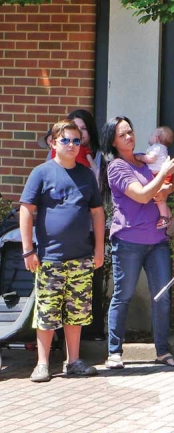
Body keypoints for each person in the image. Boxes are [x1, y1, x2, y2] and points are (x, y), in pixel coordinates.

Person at [20, 119, 105, 382]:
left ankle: (74, 361)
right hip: (49, 258)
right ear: (53, 142)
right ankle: (43, 364)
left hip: (81, 258)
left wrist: (99, 249)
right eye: (65, 140)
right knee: (46, 312)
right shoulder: (41, 173)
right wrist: (27, 250)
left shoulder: (86, 174)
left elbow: (97, 213)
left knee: (76, 312)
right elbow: (26, 210)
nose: (71, 145)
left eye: (76, 140)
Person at [101, 116, 174, 369]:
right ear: (112, 141)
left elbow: (171, 182)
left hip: (157, 240)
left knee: (163, 296)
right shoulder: (116, 167)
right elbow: (143, 194)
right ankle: (114, 352)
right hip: (128, 240)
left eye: (130, 131)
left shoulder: (142, 158)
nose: (129, 136)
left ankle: (162, 351)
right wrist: (162, 179)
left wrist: (167, 188)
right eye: (122, 134)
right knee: (123, 295)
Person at [66, 109, 107, 341]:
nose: (79, 134)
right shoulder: (56, 155)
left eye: (83, 129)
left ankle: (91, 334)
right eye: (74, 128)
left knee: (89, 283)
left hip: (90, 230)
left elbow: (102, 189)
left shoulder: (98, 156)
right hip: (60, 236)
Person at [135, 126, 174, 230]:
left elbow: (151, 159)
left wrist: (139, 157)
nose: (150, 136)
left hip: (159, 175)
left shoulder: (157, 147)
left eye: (152, 134)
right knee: (160, 197)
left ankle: (164, 218)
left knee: (158, 197)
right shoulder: (163, 148)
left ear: (157, 138)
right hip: (161, 175)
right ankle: (170, 217)